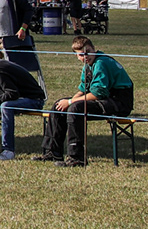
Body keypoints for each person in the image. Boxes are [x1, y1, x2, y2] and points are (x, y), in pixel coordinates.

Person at [40, 38, 136, 167]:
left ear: (94, 49)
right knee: (58, 105)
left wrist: (70, 102)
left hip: (119, 102)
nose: (85, 56)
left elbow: (98, 94)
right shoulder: (89, 65)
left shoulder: (101, 63)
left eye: (88, 52)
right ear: (76, 56)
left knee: (76, 108)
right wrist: (66, 102)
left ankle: (77, 158)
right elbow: (83, 90)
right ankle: (53, 152)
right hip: (106, 98)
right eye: (81, 54)